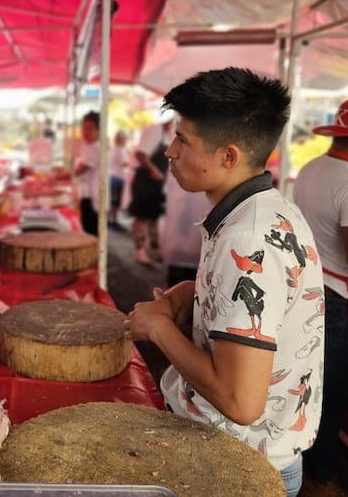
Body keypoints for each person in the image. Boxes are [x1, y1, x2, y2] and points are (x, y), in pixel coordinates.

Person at [126, 68, 323, 497]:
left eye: (184, 141)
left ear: (229, 156)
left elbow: (241, 403)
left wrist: (158, 329)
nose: (170, 152)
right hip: (243, 456)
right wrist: (185, 296)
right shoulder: (260, 210)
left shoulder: (248, 236)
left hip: (237, 470)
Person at [293, 96, 348, 486]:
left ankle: (306, 465)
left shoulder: (310, 169)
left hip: (309, 288)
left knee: (308, 387)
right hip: (339, 303)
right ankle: (320, 478)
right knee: (332, 394)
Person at [127, 118, 172, 264]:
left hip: (157, 185)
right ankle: (139, 250)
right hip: (145, 182)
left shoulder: (169, 135)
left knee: (154, 217)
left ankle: (155, 248)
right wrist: (154, 170)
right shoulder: (154, 130)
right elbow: (140, 154)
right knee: (141, 218)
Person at [73, 110, 100, 236]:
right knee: (85, 225)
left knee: (91, 229)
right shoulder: (86, 145)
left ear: (99, 130)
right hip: (85, 194)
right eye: (84, 128)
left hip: (92, 195)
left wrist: (58, 174)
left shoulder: (97, 147)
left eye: (89, 129)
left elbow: (79, 170)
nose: (85, 132)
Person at [108, 130, 128, 229]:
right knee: (115, 202)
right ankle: (113, 220)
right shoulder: (120, 150)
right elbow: (124, 163)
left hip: (112, 176)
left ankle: (110, 219)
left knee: (112, 201)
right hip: (118, 177)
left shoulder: (112, 149)